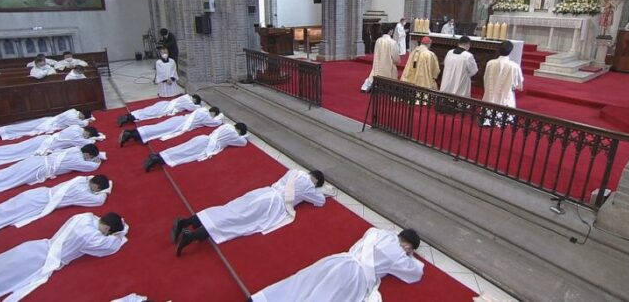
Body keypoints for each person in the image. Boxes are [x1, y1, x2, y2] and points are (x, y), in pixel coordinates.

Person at [172, 169, 327, 256]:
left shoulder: (295, 171)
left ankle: (186, 221)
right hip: (271, 206)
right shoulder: (309, 187)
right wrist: (318, 190)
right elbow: (320, 201)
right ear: (316, 181)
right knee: (236, 221)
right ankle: (191, 236)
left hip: (263, 192)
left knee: (228, 210)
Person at [0, 212, 128, 302]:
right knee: (1, 277)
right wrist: (119, 232)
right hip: (43, 261)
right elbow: (113, 245)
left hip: (37, 246)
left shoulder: (85, 217)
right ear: (108, 229)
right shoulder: (93, 238)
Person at [249, 227, 424, 302]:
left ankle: (264, 299)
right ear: (408, 245)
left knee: (303, 282)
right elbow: (416, 272)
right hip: (354, 278)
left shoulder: (377, 232)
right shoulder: (399, 255)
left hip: (339, 261)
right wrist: (409, 255)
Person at [0, 174, 112, 236]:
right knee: (4, 214)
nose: (97, 190)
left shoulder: (80, 180)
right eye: (98, 188)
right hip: (37, 203)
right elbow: (99, 201)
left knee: (2, 209)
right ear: (95, 185)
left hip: (38, 193)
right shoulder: (81, 192)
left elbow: (92, 176)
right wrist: (107, 190)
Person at [0, 144, 105, 197]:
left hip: (36, 161)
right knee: (7, 180)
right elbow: (92, 167)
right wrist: (98, 159)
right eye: (91, 157)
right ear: (88, 155)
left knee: (5, 173)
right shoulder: (78, 160)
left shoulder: (75, 149)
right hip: (39, 169)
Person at [0, 125, 103, 168]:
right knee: (15, 151)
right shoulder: (77, 134)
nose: (87, 137)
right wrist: (95, 138)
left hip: (44, 140)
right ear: (86, 132)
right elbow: (86, 143)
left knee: (16, 149)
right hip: (43, 145)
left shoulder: (76, 128)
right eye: (88, 135)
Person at [143, 122, 248, 172]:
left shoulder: (226, 125)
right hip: (207, 146)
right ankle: (157, 160)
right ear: (239, 131)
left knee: (181, 148)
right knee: (184, 154)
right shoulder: (234, 134)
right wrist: (244, 135)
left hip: (202, 138)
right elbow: (243, 142)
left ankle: (157, 155)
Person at [119, 106, 223, 147]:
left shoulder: (201, 110)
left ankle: (132, 133)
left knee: (157, 127)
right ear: (213, 113)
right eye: (214, 115)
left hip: (179, 119)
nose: (214, 116)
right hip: (179, 125)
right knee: (159, 130)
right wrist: (220, 116)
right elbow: (216, 123)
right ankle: (131, 134)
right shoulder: (206, 117)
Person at [0, 108, 93, 141]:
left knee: (21, 127)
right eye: (83, 117)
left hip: (46, 121)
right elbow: (82, 124)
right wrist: (88, 120)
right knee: (22, 129)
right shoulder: (73, 117)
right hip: (46, 125)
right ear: (82, 114)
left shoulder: (72, 111)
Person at [482, 40, 524, 127]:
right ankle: (501, 119)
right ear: (510, 51)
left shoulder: (490, 63)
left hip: (490, 96)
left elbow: (485, 78)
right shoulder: (514, 66)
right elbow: (519, 86)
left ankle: (488, 117)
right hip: (506, 96)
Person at [116, 94, 201, 126]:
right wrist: (199, 105)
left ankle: (127, 117)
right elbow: (193, 107)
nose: (194, 103)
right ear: (194, 99)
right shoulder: (188, 101)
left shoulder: (185, 96)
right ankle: (127, 118)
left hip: (164, 104)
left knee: (147, 110)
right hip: (166, 108)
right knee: (148, 114)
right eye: (195, 101)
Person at [361, 26, 400, 92]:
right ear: (390, 31)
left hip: (378, 66)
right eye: (392, 31)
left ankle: (372, 85)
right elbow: (395, 57)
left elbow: (376, 53)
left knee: (374, 76)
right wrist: (397, 61)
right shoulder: (393, 42)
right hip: (389, 67)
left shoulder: (378, 40)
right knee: (392, 75)